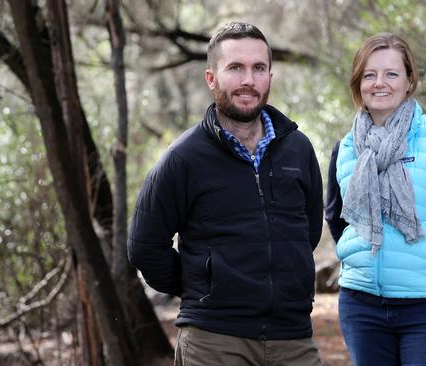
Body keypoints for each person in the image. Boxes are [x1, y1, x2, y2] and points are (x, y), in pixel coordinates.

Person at [128, 22, 323, 366]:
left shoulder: (298, 149)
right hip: (213, 341)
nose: (248, 79)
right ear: (211, 78)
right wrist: (204, 284)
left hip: (293, 339)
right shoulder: (184, 157)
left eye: (258, 68)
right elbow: (145, 245)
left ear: (269, 77)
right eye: (235, 68)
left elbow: (306, 233)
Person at [325, 32, 426, 365]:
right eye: (370, 75)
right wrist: (365, 257)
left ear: (409, 81)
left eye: (391, 74)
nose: (379, 83)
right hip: (361, 305)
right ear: (358, 84)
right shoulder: (345, 148)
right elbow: (337, 218)